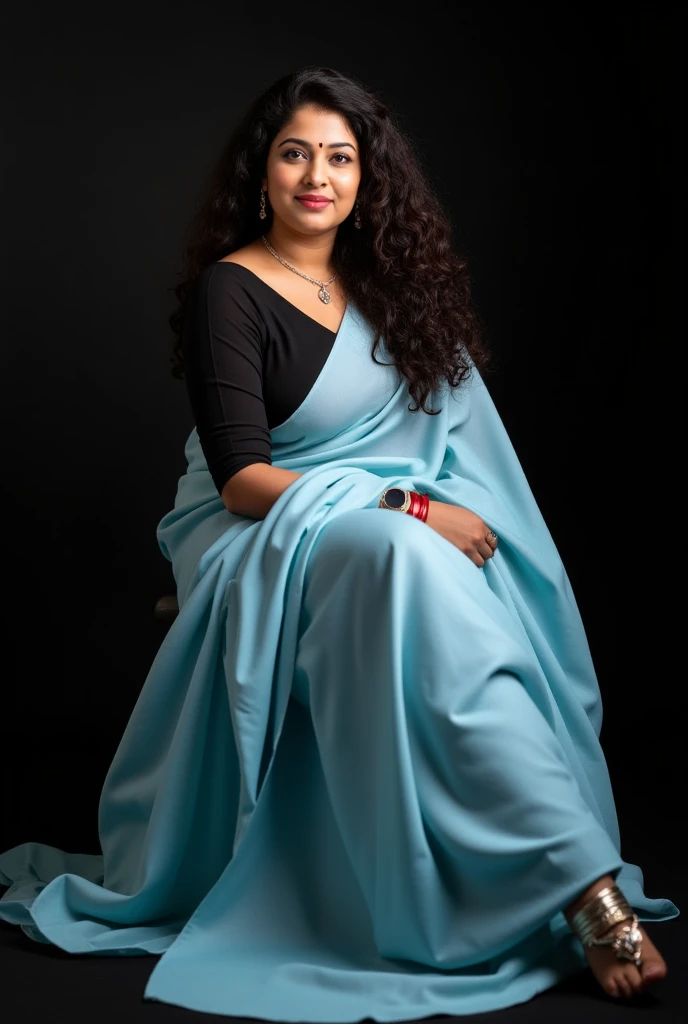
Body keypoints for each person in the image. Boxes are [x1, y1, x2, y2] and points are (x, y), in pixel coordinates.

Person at [0, 65, 678, 1020]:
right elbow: (241, 481)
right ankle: (580, 890)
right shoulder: (230, 290)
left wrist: (423, 510)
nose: (316, 175)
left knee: (424, 582)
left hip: (381, 527)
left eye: (340, 156)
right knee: (400, 556)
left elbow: (460, 451)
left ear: (367, 178)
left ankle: (575, 881)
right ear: (261, 171)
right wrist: (405, 508)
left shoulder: (395, 291)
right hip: (262, 528)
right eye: (294, 154)